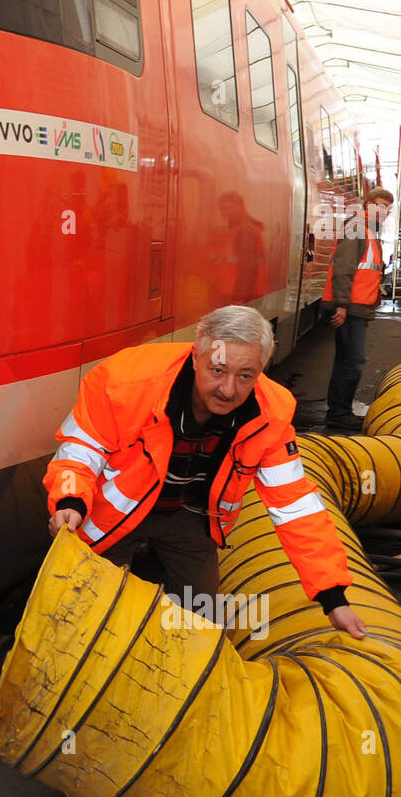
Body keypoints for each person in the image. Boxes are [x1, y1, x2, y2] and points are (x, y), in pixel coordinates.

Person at [45, 306, 365, 639]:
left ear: (261, 370)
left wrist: (332, 596)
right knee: (85, 620)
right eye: (217, 370)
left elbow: (295, 506)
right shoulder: (125, 381)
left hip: (190, 516)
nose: (228, 390)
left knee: (204, 627)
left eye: (245, 375)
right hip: (109, 511)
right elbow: (81, 451)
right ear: (195, 356)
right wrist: (70, 501)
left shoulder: (271, 414)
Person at [322, 188, 394, 432]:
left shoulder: (368, 230)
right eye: (380, 204)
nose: (384, 211)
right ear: (368, 204)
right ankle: (339, 414)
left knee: (347, 361)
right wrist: (342, 305)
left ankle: (339, 411)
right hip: (349, 308)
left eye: (388, 207)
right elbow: (343, 269)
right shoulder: (358, 228)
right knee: (352, 362)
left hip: (357, 308)